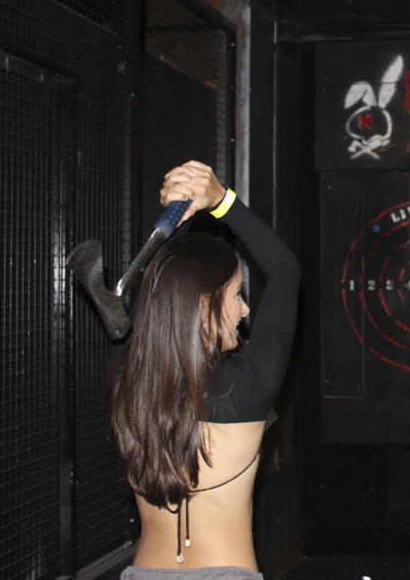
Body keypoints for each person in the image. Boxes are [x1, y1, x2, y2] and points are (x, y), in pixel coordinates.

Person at [110, 161, 301, 580]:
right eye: (237, 294)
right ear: (204, 305)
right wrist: (220, 202)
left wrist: (177, 217)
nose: (246, 310)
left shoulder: (129, 382)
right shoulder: (249, 384)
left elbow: (164, 292)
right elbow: (285, 269)